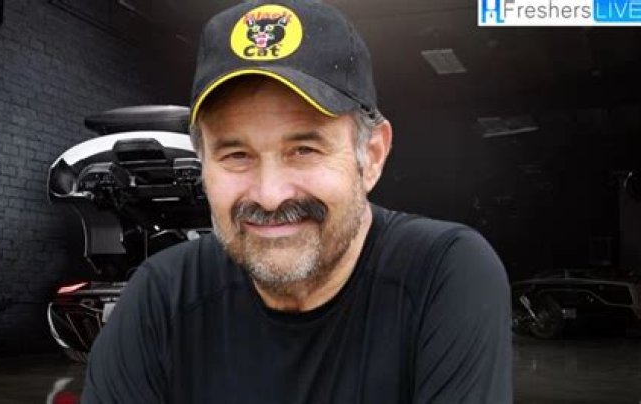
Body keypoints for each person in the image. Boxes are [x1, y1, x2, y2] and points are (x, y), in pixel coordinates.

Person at [81, 0, 512, 403]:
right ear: (204, 164)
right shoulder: (160, 297)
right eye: (236, 155)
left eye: (304, 150)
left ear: (372, 156)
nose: (270, 196)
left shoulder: (443, 275)